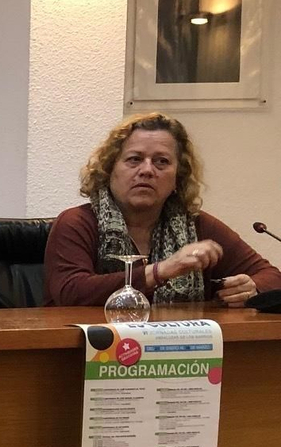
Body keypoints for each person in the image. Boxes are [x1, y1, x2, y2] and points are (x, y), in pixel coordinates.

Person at [43, 112, 281, 308]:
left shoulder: (198, 226)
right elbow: (71, 293)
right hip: (89, 356)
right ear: (109, 170)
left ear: (178, 177)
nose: (147, 170)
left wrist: (251, 286)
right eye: (134, 159)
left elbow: (271, 276)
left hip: (178, 356)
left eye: (162, 162)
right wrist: (162, 270)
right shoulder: (77, 222)